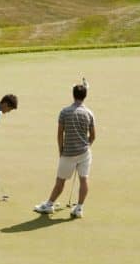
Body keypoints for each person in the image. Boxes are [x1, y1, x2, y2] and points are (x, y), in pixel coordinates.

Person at [34, 83, 95, 218]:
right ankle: (79, 208)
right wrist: (87, 146)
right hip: (84, 152)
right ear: (85, 96)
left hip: (68, 153)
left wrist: (60, 150)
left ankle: (49, 205)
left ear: (73, 95)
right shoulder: (89, 113)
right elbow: (93, 136)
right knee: (84, 180)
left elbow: (60, 133)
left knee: (60, 181)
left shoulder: (64, 112)